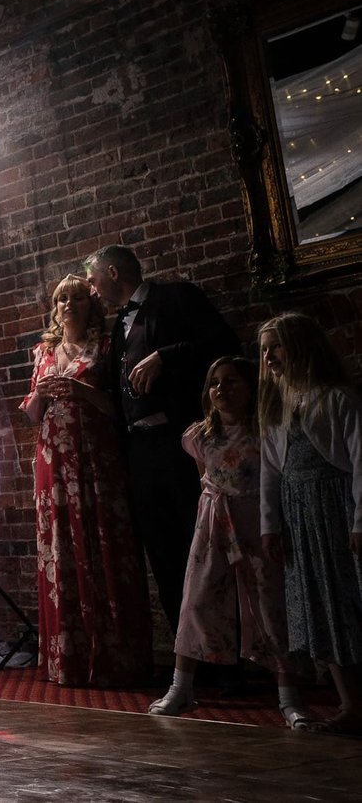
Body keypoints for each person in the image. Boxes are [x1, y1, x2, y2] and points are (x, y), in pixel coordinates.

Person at [147, 357, 308, 726]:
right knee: (198, 598)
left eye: (232, 382)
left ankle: (288, 696)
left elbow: (271, 480)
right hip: (213, 521)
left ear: (251, 387)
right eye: (215, 383)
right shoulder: (200, 435)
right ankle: (182, 687)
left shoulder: (265, 430)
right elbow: (207, 480)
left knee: (270, 603)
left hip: (255, 519)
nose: (222, 389)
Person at [86, 244, 238, 631]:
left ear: (114, 273)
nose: (91, 287)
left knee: (200, 545)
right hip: (139, 451)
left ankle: (227, 658)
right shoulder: (115, 327)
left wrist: (165, 356)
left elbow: (224, 345)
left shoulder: (177, 297)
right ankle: (187, 655)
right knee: (162, 550)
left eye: (94, 277)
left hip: (180, 445)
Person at [19, 274, 151, 688]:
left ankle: (115, 658)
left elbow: (119, 406)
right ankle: (68, 660)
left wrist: (80, 390)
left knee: (102, 544)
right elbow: (30, 412)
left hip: (95, 457)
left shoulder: (106, 346)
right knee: (60, 548)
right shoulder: (44, 350)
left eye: (77, 298)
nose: (69, 305)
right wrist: (40, 393)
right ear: (54, 309)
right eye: (62, 300)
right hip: (52, 460)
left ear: (90, 305)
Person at [258, 313, 362, 734]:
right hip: (299, 514)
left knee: (349, 598)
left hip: (336, 509)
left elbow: (359, 463)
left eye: (277, 347)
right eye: (264, 350)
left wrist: (359, 521)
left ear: (302, 347)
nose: (269, 357)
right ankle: (350, 701)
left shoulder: (338, 399)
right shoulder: (277, 407)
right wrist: (271, 525)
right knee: (321, 604)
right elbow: (270, 472)